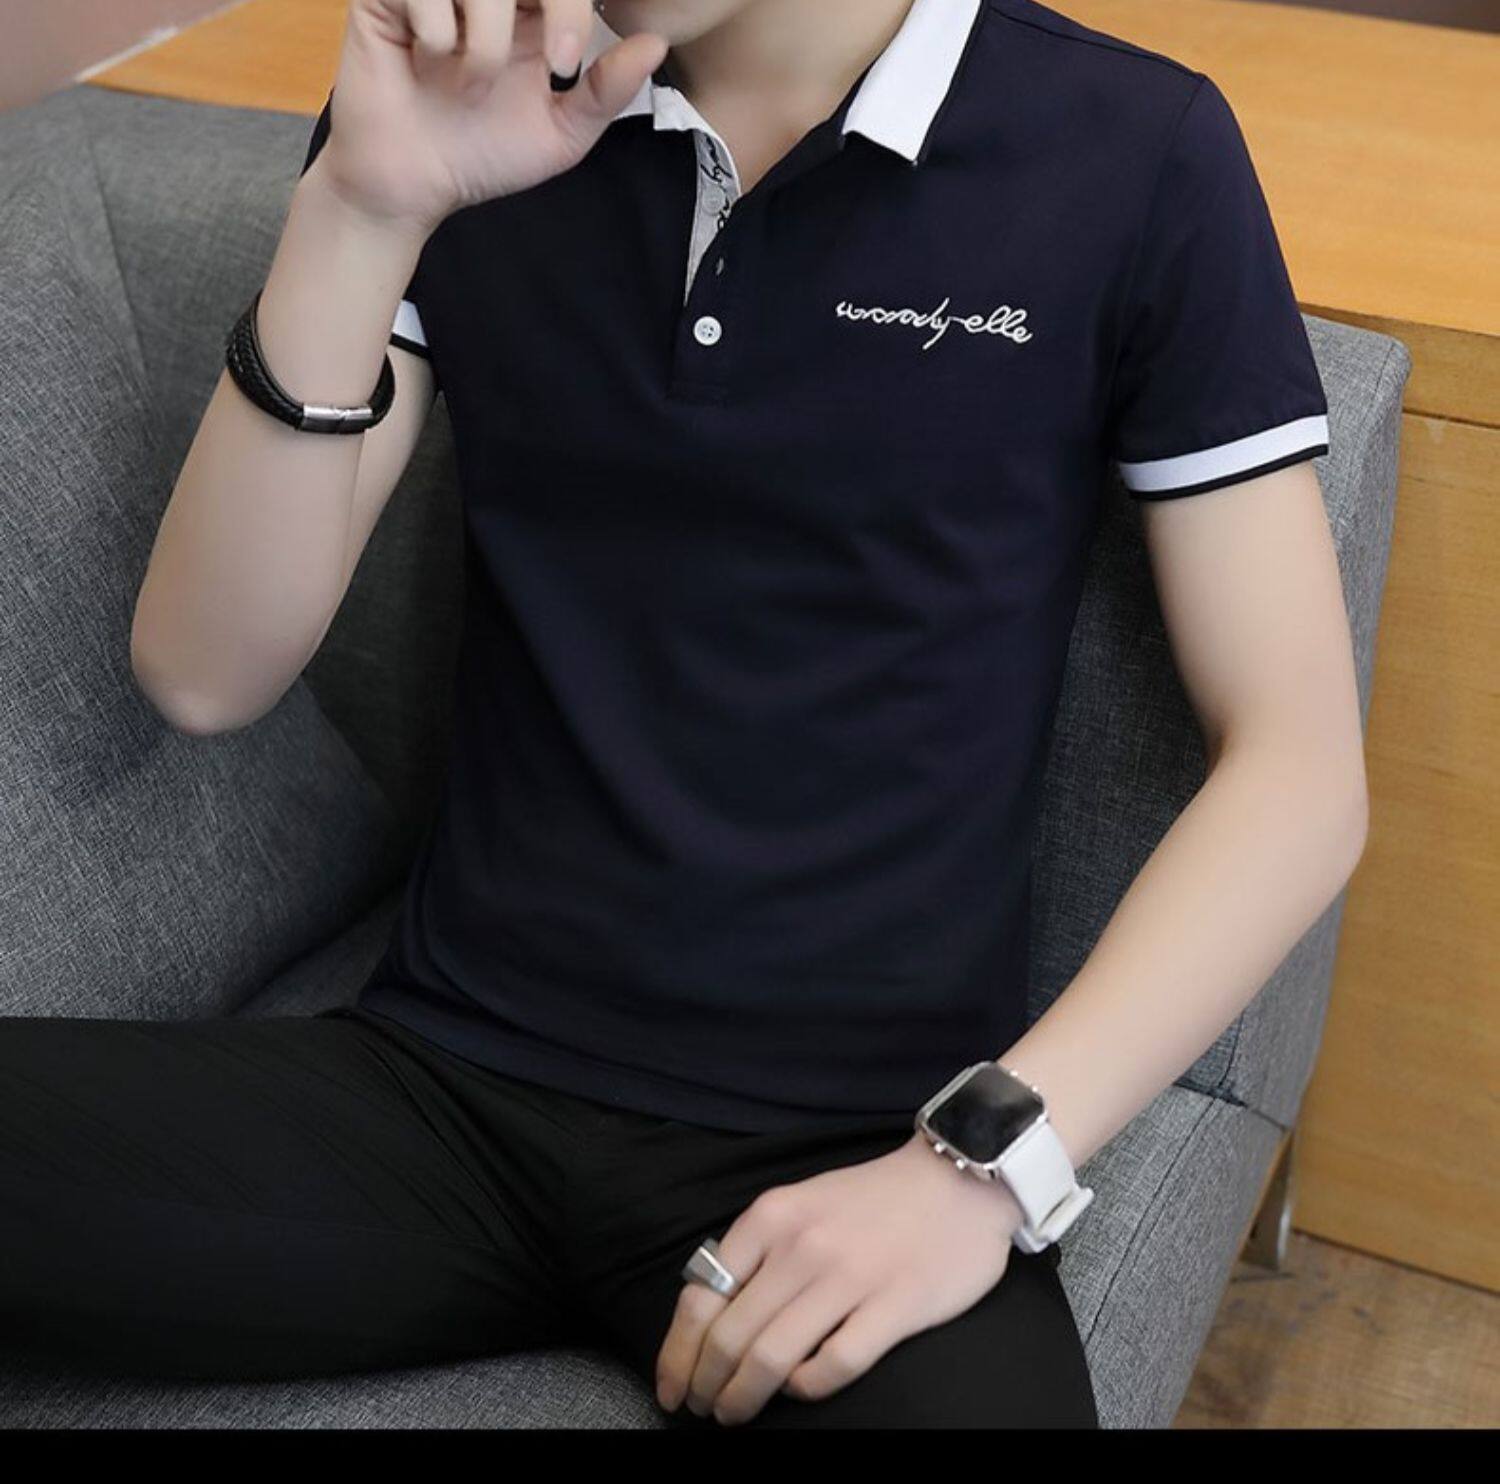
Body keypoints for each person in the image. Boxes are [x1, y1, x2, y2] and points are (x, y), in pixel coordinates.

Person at [3, 0, 1368, 1430]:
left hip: (853, 1148)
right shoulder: (474, 106)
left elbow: (1297, 771)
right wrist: (363, 206)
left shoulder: (1135, 150)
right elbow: (205, 671)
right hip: (437, 1091)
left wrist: (980, 1167)